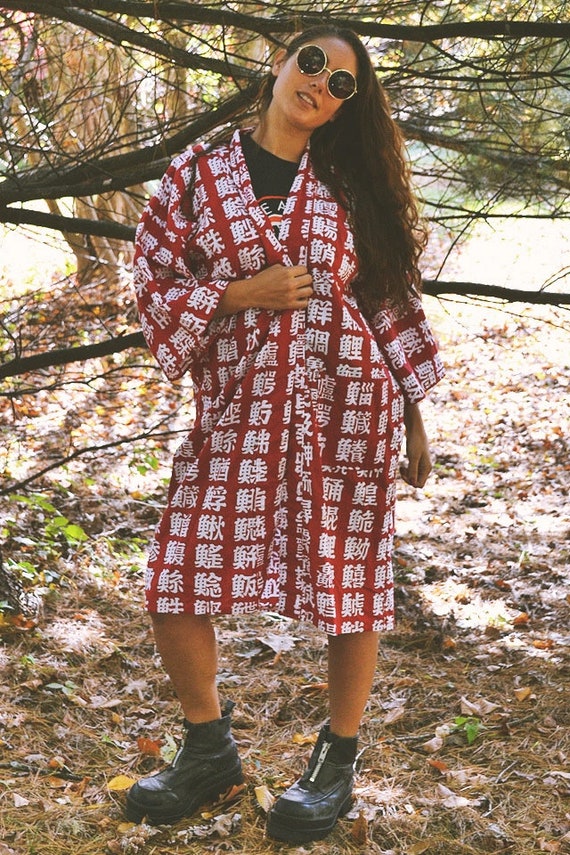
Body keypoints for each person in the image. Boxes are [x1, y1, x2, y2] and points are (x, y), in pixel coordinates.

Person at [127, 24, 444, 843]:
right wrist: (240, 294)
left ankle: (335, 762)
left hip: (347, 406)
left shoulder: (348, 182)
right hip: (237, 409)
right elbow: (154, 279)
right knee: (175, 577)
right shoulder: (197, 175)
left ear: (345, 109)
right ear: (278, 63)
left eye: (342, 85)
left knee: (351, 583)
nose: (321, 86)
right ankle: (208, 749)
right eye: (313, 63)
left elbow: (388, 298)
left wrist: (411, 412)